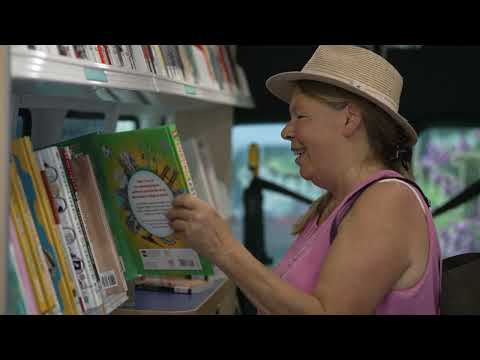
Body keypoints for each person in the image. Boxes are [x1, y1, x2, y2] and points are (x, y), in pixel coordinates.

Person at [166, 45, 442, 315]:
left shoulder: (389, 201)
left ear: (349, 120)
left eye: (300, 115)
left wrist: (221, 247)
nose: (286, 131)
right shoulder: (332, 205)